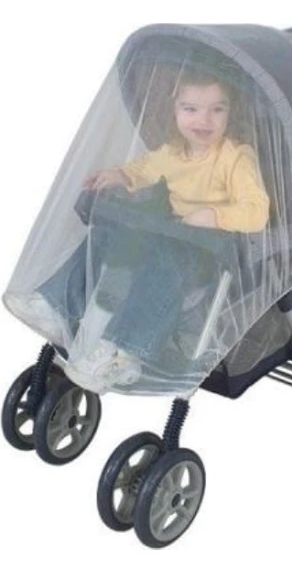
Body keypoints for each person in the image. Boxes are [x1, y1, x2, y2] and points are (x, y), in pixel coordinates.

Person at [7, 69, 270, 392]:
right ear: (174, 111)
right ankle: (56, 305)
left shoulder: (236, 157)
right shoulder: (173, 153)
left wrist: (216, 215)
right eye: (191, 109)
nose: (204, 120)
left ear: (231, 112)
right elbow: (143, 169)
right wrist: (120, 175)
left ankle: (125, 351)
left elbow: (257, 211)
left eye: (217, 109)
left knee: (160, 264)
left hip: (205, 255)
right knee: (105, 236)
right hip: (169, 235)